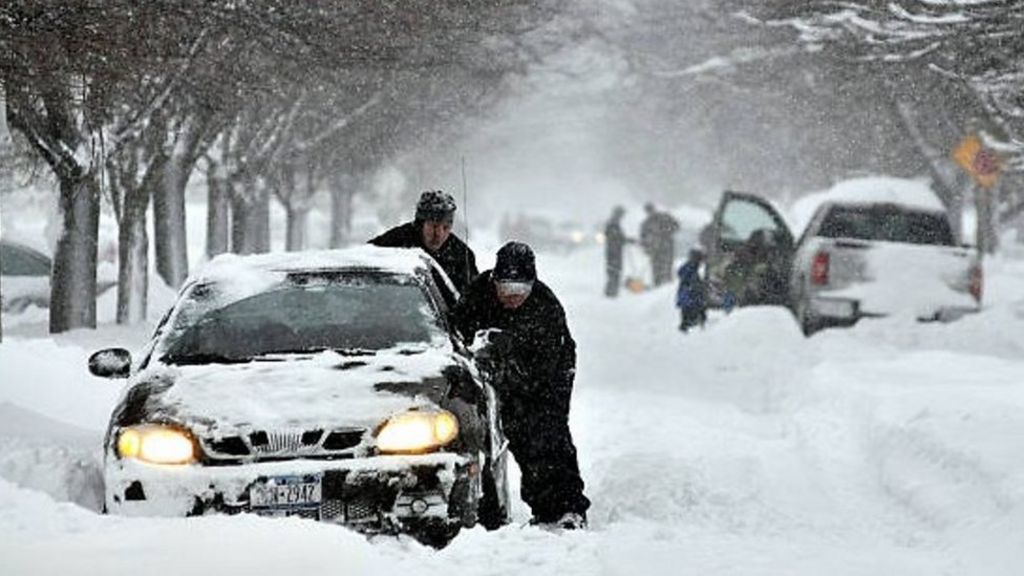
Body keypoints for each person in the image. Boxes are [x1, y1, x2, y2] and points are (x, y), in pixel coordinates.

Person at [452, 241, 591, 530]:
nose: (513, 298)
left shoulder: (545, 308)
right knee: (515, 436)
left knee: (547, 434)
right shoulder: (478, 294)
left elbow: (543, 369)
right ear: (495, 283)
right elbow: (457, 331)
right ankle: (541, 504)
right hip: (502, 372)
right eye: (506, 290)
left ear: (531, 285)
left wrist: (512, 355)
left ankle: (568, 506)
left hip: (551, 374)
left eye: (520, 291)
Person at [369, 190, 478, 295]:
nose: (439, 234)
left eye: (446, 227)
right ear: (421, 224)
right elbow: (363, 259)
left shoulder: (461, 255)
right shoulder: (394, 242)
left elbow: (474, 299)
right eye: (434, 226)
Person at [639, 202, 680, 287]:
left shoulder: (664, 217)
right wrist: (647, 248)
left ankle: (666, 287)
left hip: (666, 248)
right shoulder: (646, 224)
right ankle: (658, 288)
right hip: (655, 250)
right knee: (656, 270)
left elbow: (676, 226)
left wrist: (667, 231)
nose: (650, 212)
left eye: (650, 210)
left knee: (666, 268)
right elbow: (643, 239)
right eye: (648, 211)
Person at [676, 248, 707, 332]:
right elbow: (695, 288)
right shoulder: (691, 271)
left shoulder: (689, 269)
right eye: (700, 260)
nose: (701, 263)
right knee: (690, 324)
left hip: (687, 301)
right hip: (690, 302)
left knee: (687, 322)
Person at [603, 206, 632, 297]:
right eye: (621, 214)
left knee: (615, 271)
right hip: (613, 252)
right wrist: (624, 240)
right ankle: (611, 292)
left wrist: (627, 240)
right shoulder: (613, 224)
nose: (622, 216)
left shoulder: (614, 223)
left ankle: (612, 291)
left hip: (615, 251)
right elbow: (615, 237)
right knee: (614, 271)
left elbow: (618, 237)